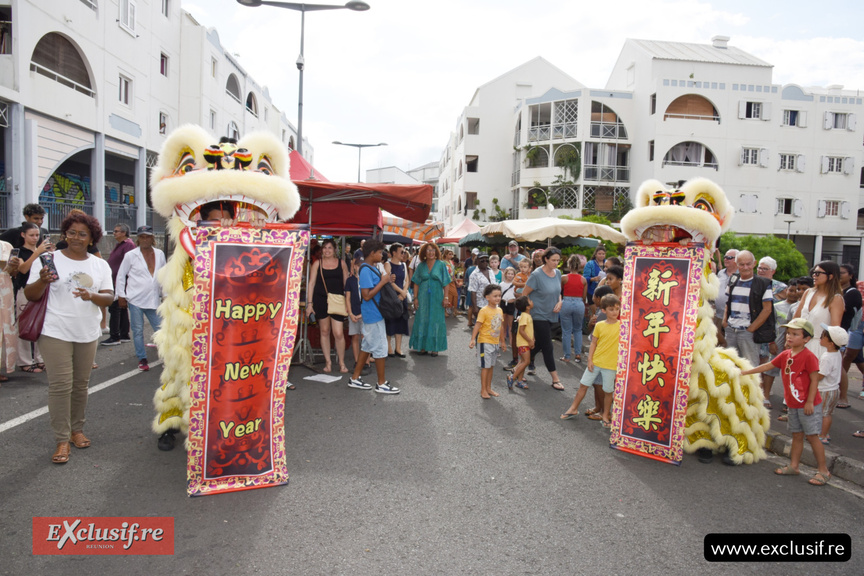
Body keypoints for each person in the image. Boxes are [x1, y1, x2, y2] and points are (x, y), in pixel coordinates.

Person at [24, 211, 113, 464]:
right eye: (71, 232)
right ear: (65, 234)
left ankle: (77, 430)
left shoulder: (99, 265)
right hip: (54, 330)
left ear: (91, 238)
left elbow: (109, 297)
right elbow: (31, 295)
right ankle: (62, 440)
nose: (76, 237)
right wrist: (41, 281)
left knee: (81, 385)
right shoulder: (48, 259)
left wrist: (92, 296)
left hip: (86, 331)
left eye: (82, 234)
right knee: (61, 385)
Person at [741, 318, 831, 486]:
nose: (790, 337)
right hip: (793, 404)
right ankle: (794, 466)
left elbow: (814, 380)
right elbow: (768, 366)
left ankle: (823, 470)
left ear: (806, 339)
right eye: (788, 333)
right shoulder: (786, 354)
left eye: (795, 334)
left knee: (812, 437)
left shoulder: (809, 357)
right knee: (796, 435)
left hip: (807, 404)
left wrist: (810, 402)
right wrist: (746, 372)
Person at [561, 294, 621, 427]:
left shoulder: (623, 326)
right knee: (583, 385)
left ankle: (606, 414)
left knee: (608, 391)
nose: (615, 312)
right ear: (604, 310)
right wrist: (589, 359)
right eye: (611, 309)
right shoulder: (599, 325)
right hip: (596, 362)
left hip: (611, 366)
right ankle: (573, 408)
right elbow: (593, 343)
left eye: (617, 309)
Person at [348, 239, 399, 394]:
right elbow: (367, 295)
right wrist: (383, 282)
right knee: (380, 348)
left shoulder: (370, 267)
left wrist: (386, 281)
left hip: (373, 314)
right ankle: (381, 383)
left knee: (367, 347)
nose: (381, 255)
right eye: (379, 252)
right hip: (373, 315)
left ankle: (355, 379)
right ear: (372, 253)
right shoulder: (365, 270)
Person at [115, 226, 166, 372]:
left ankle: (165, 357)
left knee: (160, 329)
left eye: (147, 236)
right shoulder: (131, 255)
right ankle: (142, 358)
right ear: (138, 238)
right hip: (135, 298)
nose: (145, 239)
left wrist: (166, 295)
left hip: (153, 299)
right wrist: (121, 295)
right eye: (142, 237)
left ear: (152, 238)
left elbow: (164, 276)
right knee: (137, 330)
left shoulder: (159, 254)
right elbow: (121, 275)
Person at [521, 247, 564, 390]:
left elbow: (558, 292)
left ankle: (518, 367)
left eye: (558, 260)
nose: (556, 263)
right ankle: (555, 379)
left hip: (552, 315)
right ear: (546, 259)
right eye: (553, 260)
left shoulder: (557, 273)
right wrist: (526, 314)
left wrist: (560, 301)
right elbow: (524, 294)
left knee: (537, 345)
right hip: (538, 315)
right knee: (547, 346)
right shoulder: (536, 275)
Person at [723, 250, 774, 368]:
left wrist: (751, 328)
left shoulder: (763, 283)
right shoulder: (733, 280)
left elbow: (767, 309)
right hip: (731, 330)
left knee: (749, 367)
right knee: (729, 366)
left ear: (754, 263)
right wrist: (725, 322)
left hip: (748, 332)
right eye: (741, 264)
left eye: (748, 264)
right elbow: (728, 302)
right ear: (737, 265)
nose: (745, 267)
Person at [306, 238, 350, 373]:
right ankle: (328, 362)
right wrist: (309, 304)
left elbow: (347, 285)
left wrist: (349, 303)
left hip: (337, 301)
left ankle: (341, 362)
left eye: (330, 248)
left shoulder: (341, 264)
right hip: (320, 300)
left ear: (335, 250)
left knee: (338, 332)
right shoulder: (317, 264)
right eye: (324, 248)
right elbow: (311, 284)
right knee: (324, 331)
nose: (327, 250)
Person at [13, 222, 51, 373]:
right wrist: (37, 252)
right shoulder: (19, 252)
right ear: (23, 235)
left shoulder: (43, 252)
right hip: (23, 291)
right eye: (32, 235)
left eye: (37, 235)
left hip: (41, 291)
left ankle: (40, 359)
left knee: (42, 323)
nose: (35, 238)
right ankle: (24, 361)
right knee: (24, 323)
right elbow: (22, 269)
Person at [793, 260, 843, 361]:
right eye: (813, 273)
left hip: (821, 346)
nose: (814, 276)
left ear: (831, 276)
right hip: (801, 343)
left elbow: (835, 329)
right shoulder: (808, 292)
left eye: (818, 273)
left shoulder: (835, 298)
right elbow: (796, 319)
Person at [410, 242, 451, 356]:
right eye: (428, 250)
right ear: (424, 252)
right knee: (422, 318)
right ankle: (422, 346)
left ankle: (435, 347)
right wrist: (415, 298)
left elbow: (446, 283)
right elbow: (416, 283)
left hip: (437, 296)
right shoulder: (421, 266)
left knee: (436, 320)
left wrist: (446, 297)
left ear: (436, 252)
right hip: (422, 297)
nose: (431, 253)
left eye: (433, 250)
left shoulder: (441, 265)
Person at [469, 284, 506, 399]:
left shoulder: (500, 310)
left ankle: (489, 388)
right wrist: (472, 339)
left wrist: (503, 342)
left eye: (499, 296)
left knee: (491, 366)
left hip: (495, 343)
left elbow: (501, 327)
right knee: (485, 367)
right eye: (495, 296)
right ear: (487, 297)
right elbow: (478, 325)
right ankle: (483, 389)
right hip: (484, 342)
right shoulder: (484, 311)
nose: (498, 298)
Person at [101, 224, 135, 346]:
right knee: (120, 308)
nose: (114, 233)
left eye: (116, 231)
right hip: (115, 279)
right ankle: (123, 334)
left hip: (120, 281)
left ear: (124, 233)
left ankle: (115, 336)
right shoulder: (120, 245)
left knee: (115, 308)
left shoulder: (128, 245)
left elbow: (130, 263)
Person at [816, 324, 846, 445]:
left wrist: (811, 377)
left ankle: (822, 435)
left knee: (824, 414)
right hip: (833, 389)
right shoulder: (837, 354)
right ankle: (825, 432)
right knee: (827, 413)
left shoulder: (827, 357)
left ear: (831, 343)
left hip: (825, 390)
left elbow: (821, 375)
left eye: (823, 337)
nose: (820, 339)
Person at [837, 263, 861, 409]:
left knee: (839, 365)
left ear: (850, 276)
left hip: (840, 333)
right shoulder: (835, 290)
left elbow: (843, 310)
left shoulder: (852, 293)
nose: (839, 276)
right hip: (829, 331)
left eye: (843, 273)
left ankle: (843, 397)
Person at [560, 254, 587, 363]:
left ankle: (567, 356)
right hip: (579, 302)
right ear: (580, 266)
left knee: (566, 331)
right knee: (578, 330)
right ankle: (578, 354)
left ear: (569, 265)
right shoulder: (583, 279)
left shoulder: (564, 278)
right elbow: (584, 297)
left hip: (566, 302)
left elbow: (559, 291)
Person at [385, 243, 410, 358]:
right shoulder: (387, 264)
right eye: (401, 251)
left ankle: (398, 348)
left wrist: (403, 293)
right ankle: (389, 347)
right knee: (390, 322)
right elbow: (389, 281)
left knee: (401, 322)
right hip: (391, 297)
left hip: (401, 297)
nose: (403, 254)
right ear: (394, 252)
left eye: (404, 252)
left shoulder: (404, 265)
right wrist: (401, 292)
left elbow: (407, 280)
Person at [344, 254, 368, 374]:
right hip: (353, 312)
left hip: (365, 313)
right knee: (355, 336)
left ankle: (366, 361)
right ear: (354, 267)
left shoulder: (368, 280)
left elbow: (369, 299)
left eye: (362, 266)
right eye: (358, 266)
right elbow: (347, 298)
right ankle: (357, 360)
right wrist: (350, 313)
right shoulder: (350, 280)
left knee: (365, 337)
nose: (360, 268)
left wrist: (362, 314)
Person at [0, 240, 18, 382]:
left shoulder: (7, 246)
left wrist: (12, 266)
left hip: (5, 288)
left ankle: (2, 367)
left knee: (6, 325)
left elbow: (13, 272)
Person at [508, 295, 534, 390]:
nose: (532, 301)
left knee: (523, 361)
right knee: (526, 361)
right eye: (530, 300)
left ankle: (519, 381)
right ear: (527, 306)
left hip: (525, 342)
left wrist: (532, 339)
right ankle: (513, 377)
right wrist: (530, 340)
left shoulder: (526, 316)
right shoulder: (524, 316)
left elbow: (529, 330)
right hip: (523, 343)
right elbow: (522, 330)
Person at [714, 249, 738, 347]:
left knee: (730, 345)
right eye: (725, 257)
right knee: (716, 343)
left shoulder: (742, 275)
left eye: (729, 257)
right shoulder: (720, 273)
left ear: (737, 260)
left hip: (733, 317)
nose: (725, 259)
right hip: (718, 315)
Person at [468, 253, 494, 322]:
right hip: (481, 305)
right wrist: (475, 307)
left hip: (492, 304)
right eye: (482, 260)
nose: (485, 262)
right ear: (477, 261)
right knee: (481, 327)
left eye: (487, 260)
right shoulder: (474, 275)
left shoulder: (491, 271)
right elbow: (473, 292)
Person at [499, 267, 518, 351]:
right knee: (503, 324)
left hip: (511, 304)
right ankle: (501, 340)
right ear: (505, 274)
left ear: (514, 275)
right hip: (503, 303)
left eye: (512, 274)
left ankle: (511, 341)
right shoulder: (501, 284)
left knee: (511, 324)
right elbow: (499, 295)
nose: (510, 275)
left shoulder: (516, 284)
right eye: (508, 273)